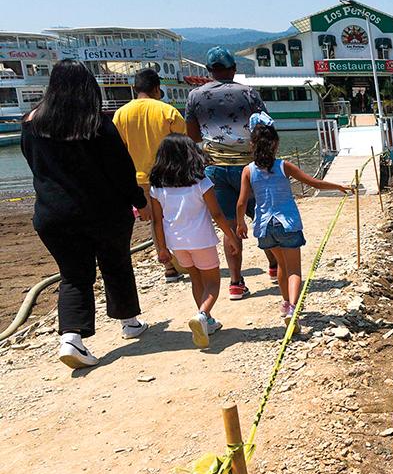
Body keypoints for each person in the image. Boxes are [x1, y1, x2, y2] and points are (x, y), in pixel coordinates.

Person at [20, 60, 148, 369]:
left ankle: (71, 339)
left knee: (74, 276)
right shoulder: (98, 125)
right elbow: (120, 170)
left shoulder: (31, 123)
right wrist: (139, 201)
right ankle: (129, 322)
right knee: (116, 264)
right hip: (104, 212)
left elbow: (34, 163)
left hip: (53, 215)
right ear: (87, 87)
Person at [236, 114, 350, 323]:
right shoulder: (283, 166)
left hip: (264, 226)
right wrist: (338, 186)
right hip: (286, 223)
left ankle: (285, 301)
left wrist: (240, 223)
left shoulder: (248, 171)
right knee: (294, 270)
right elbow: (314, 183)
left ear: (252, 145)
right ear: (276, 144)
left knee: (281, 265)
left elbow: (241, 202)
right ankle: (292, 309)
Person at [185, 46, 274, 300]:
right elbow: (264, 129)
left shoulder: (195, 96)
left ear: (209, 71)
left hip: (215, 169)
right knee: (263, 217)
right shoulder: (248, 93)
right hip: (249, 166)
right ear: (233, 69)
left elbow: (192, 136)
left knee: (231, 227)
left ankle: (236, 283)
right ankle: (275, 266)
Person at [149, 134, 238, 348]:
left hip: (176, 242)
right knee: (213, 283)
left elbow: (157, 221)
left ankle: (206, 321)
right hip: (201, 239)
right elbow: (217, 214)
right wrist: (232, 237)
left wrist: (161, 249)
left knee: (196, 280)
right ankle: (202, 315)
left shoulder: (157, 187)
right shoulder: (201, 182)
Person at [113, 67, 186, 281]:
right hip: (169, 176)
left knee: (156, 221)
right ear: (156, 88)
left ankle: (168, 267)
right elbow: (184, 145)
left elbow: (118, 150)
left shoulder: (121, 114)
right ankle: (183, 261)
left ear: (135, 88)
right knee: (174, 219)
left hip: (139, 179)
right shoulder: (168, 112)